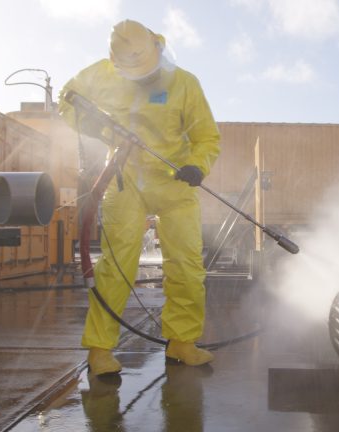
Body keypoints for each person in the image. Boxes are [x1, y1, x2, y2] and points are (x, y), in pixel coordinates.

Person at [59, 19, 221, 375]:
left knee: (187, 267)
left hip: (174, 183)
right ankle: (100, 350)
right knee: (116, 266)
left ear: (158, 50)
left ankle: (182, 342)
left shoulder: (184, 83)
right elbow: (66, 100)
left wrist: (197, 165)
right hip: (125, 179)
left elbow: (207, 137)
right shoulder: (102, 74)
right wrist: (92, 125)